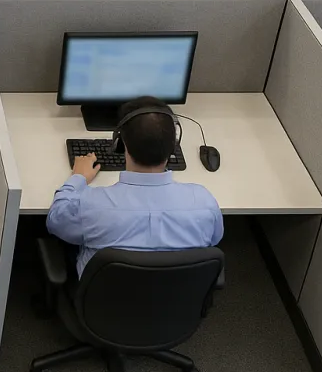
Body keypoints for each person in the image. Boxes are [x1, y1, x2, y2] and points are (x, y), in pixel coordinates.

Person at [47, 97, 223, 276]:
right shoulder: (204, 203)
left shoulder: (92, 206)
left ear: (120, 144)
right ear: (173, 147)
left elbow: (56, 221)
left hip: (106, 298)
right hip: (179, 298)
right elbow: (214, 239)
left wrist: (78, 178)